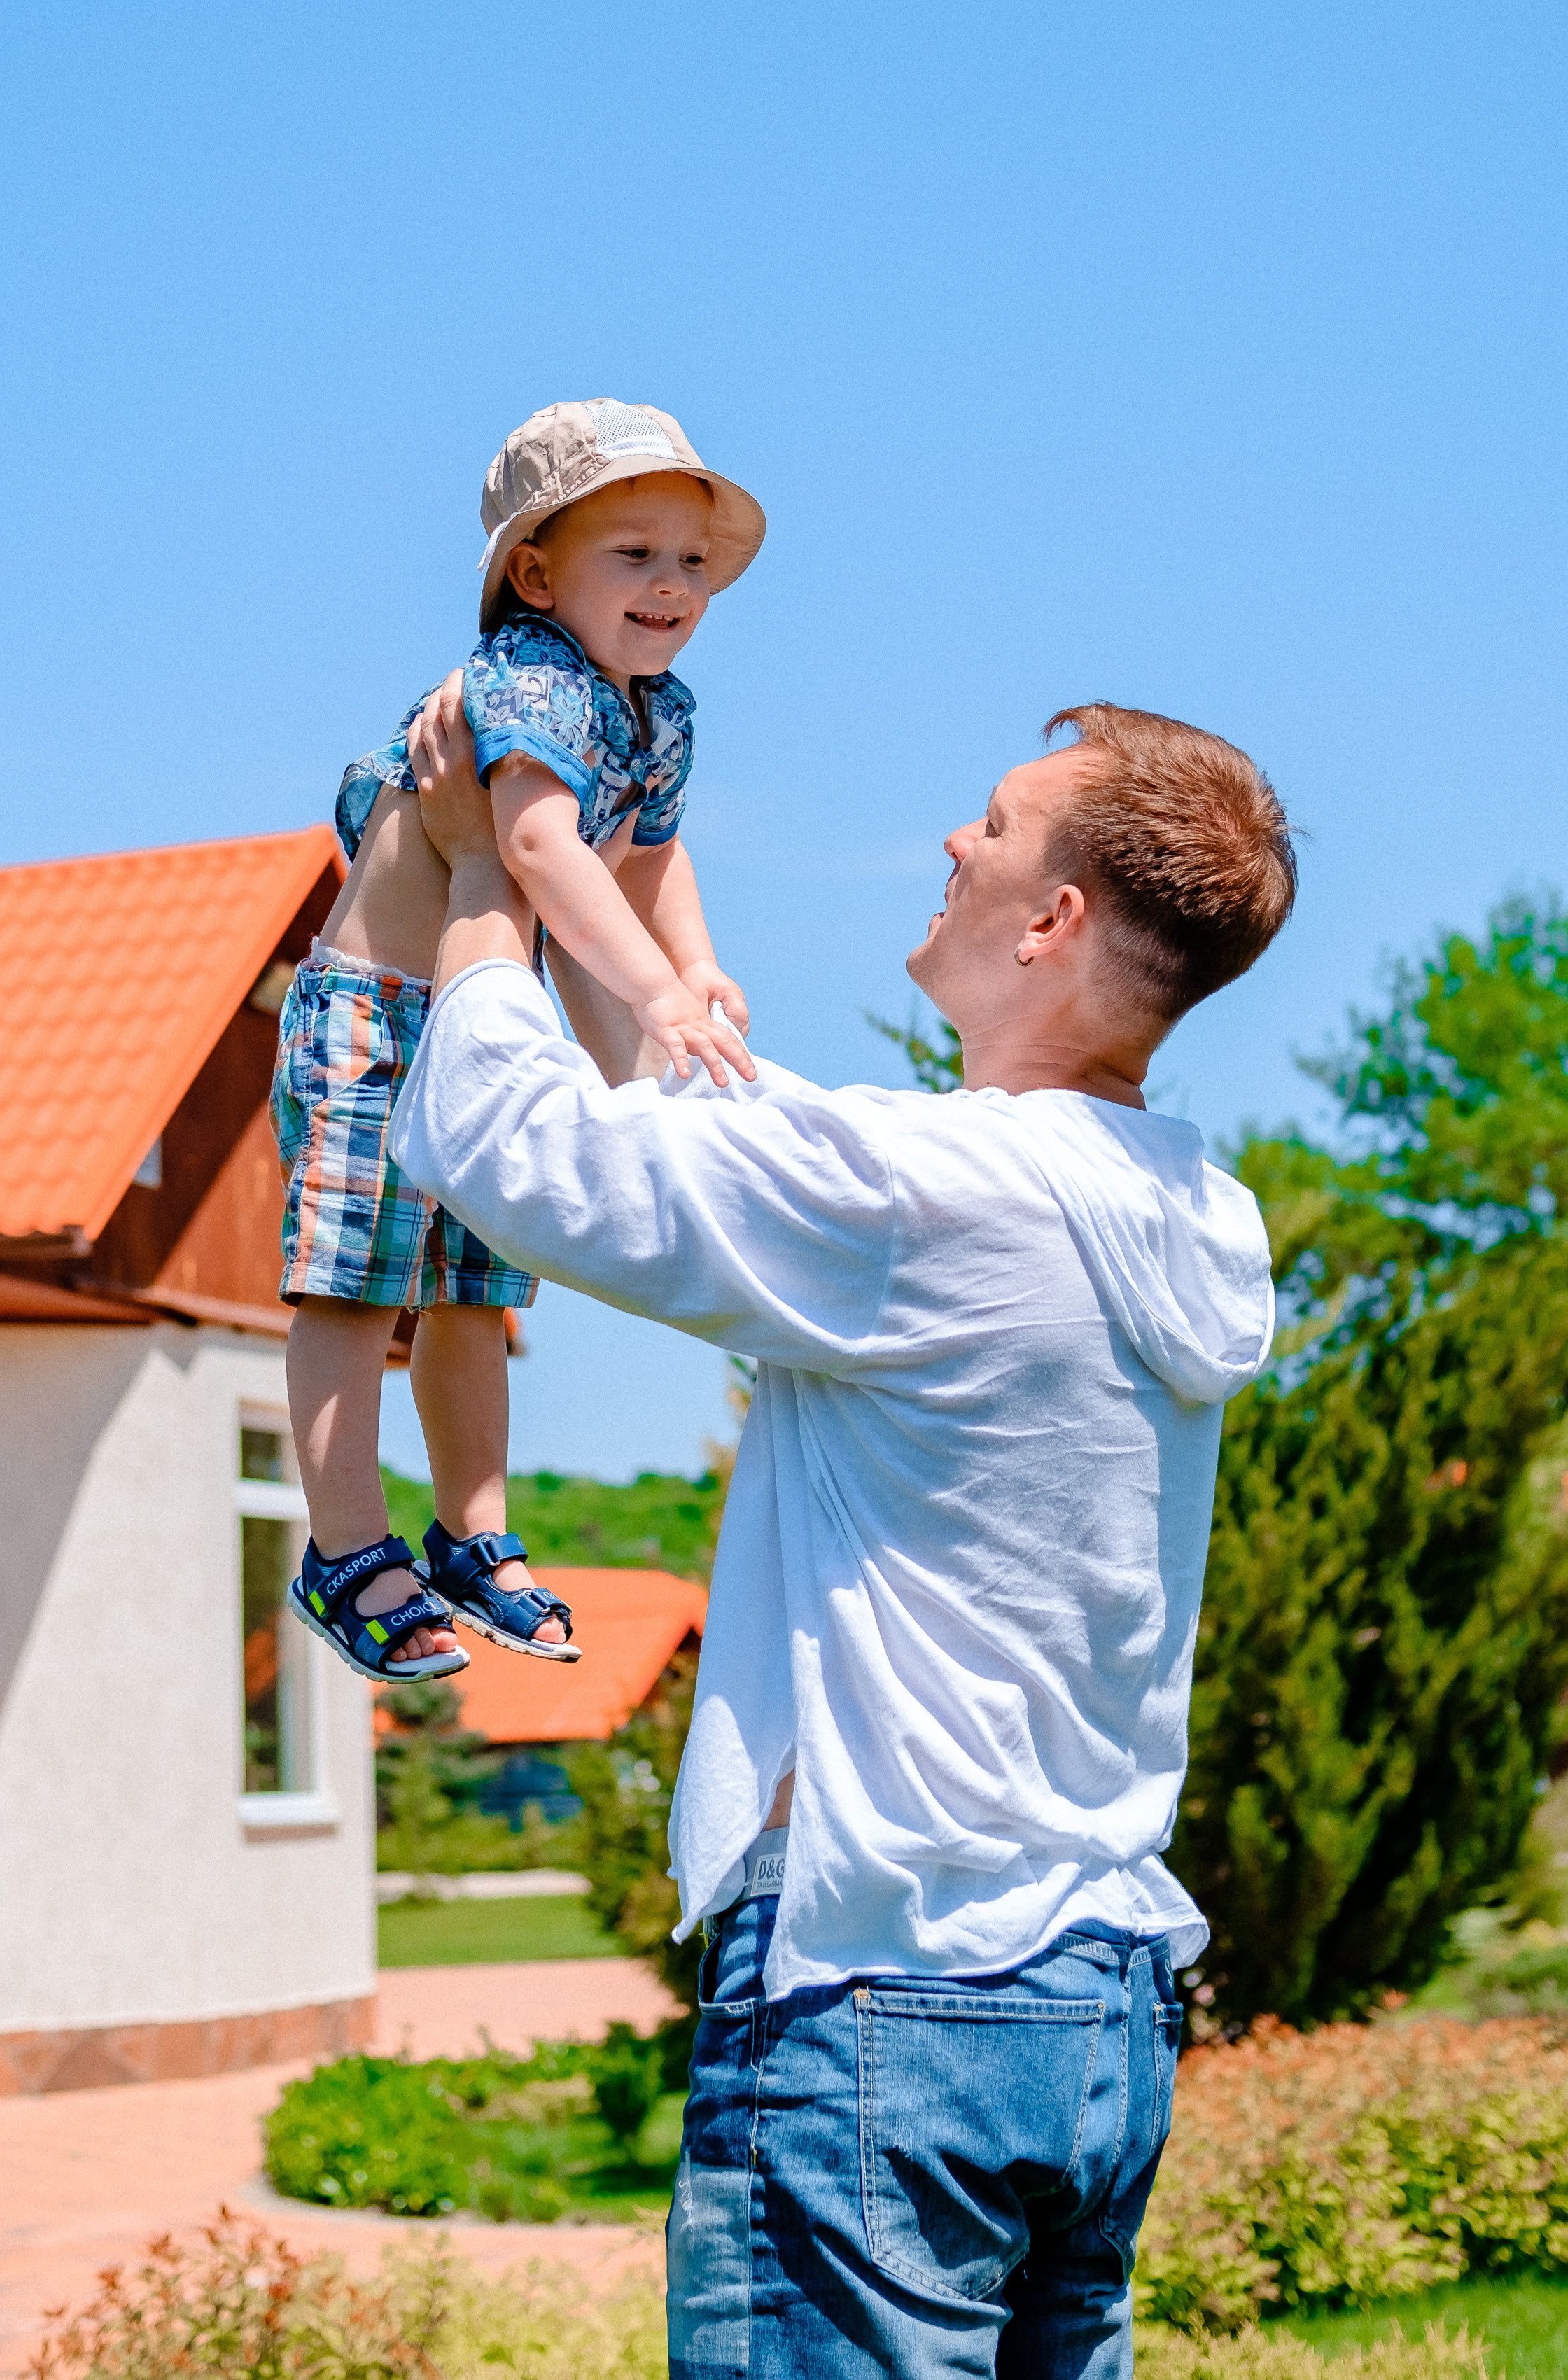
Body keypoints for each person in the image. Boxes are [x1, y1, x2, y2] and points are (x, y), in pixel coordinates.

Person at [390, 685, 1296, 2378]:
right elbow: (741, 1158)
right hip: (1092, 2008)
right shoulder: (1185, 1212)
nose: (956, 840)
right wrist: (642, 973)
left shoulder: (926, 1198)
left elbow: (503, 1145)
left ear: (1052, 920)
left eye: (997, 824)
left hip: (891, 2000)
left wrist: (482, 879)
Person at [272, 398, 762, 1681]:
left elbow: (649, 855)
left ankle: (468, 1532)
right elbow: (539, 848)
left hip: (481, 1016)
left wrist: (695, 962)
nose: (671, 586)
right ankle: (345, 1545)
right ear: (536, 573)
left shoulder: (656, 712)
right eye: (635, 554)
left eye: (691, 563)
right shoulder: (530, 677)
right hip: (378, 1013)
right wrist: (655, 1000)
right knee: (353, 1281)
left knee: (474, 1292)